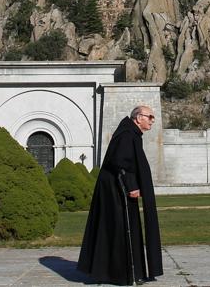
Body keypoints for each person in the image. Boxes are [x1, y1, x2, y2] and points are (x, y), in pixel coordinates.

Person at [78, 105, 163, 285]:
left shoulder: (131, 134)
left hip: (117, 189)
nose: (152, 121)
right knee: (122, 228)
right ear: (138, 117)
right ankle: (123, 274)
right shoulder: (127, 135)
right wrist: (132, 186)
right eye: (150, 117)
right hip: (117, 191)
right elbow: (120, 162)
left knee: (122, 228)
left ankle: (124, 272)